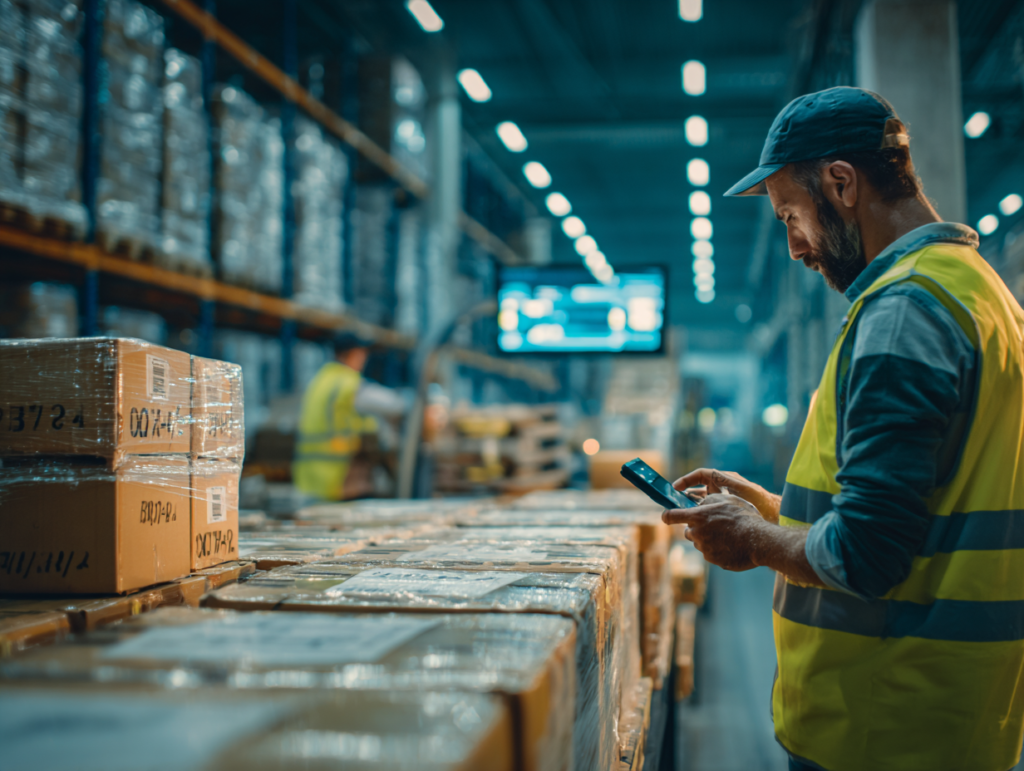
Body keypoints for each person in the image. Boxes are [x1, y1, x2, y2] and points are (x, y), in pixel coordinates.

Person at [665, 87, 1024, 771]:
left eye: (792, 215)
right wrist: (775, 509)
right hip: (957, 715)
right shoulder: (982, 294)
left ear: (841, 182)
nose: (796, 246)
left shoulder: (905, 309)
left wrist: (756, 540)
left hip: (882, 720)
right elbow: (931, 511)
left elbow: (869, 552)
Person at [292, 332, 373, 501]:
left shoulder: (321, 379)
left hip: (309, 476)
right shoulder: (346, 382)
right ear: (353, 354)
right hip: (335, 476)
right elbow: (392, 404)